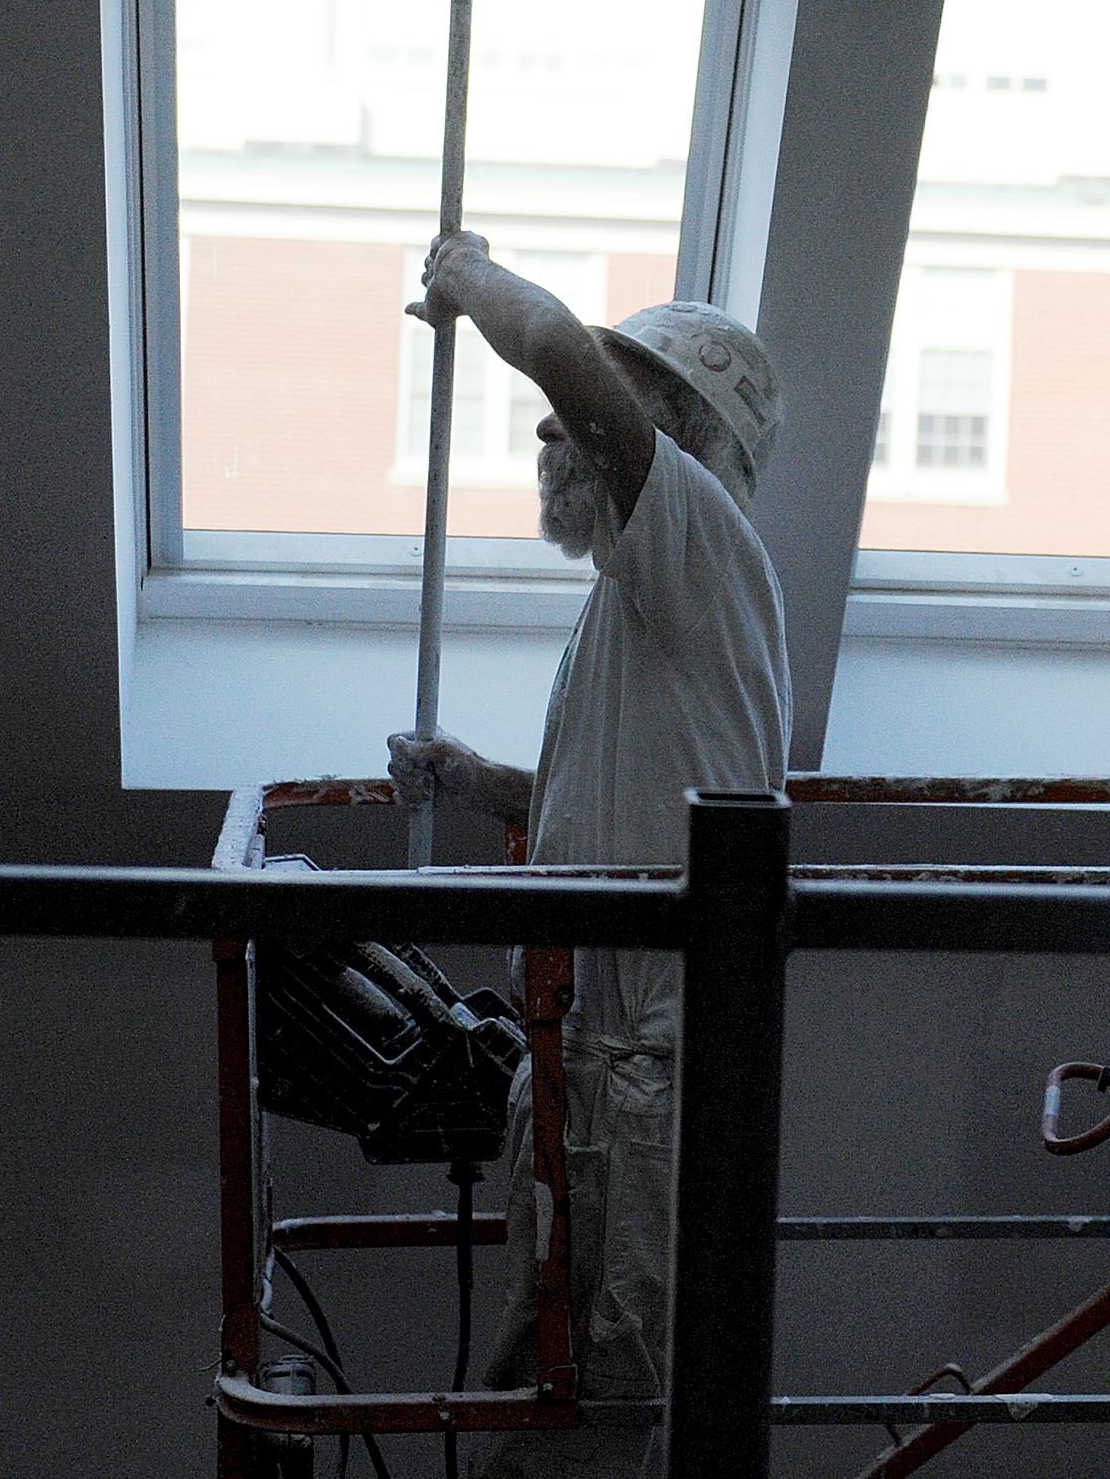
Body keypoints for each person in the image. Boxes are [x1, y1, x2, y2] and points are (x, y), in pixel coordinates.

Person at [387, 231, 790, 1472]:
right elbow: (601, 804)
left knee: (598, 1413)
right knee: (556, 1391)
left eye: (597, 416)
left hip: (644, 1084)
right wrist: (472, 779)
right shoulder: (638, 601)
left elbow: (557, 350)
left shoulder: (699, 539)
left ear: (673, 436)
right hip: (600, 1073)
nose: (559, 433)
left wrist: (463, 276)